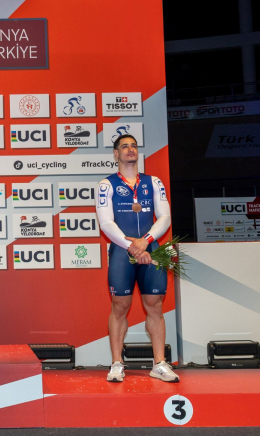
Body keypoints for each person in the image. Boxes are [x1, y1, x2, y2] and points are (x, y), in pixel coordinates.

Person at [96, 134, 178, 383]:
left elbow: (165, 217)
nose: (130, 149)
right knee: (120, 306)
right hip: (122, 251)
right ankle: (116, 363)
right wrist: (133, 247)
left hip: (151, 248)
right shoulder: (106, 185)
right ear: (116, 154)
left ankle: (159, 363)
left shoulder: (154, 182)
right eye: (124, 146)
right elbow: (106, 223)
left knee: (154, 304)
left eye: (133, 146)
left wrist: (146, 241)